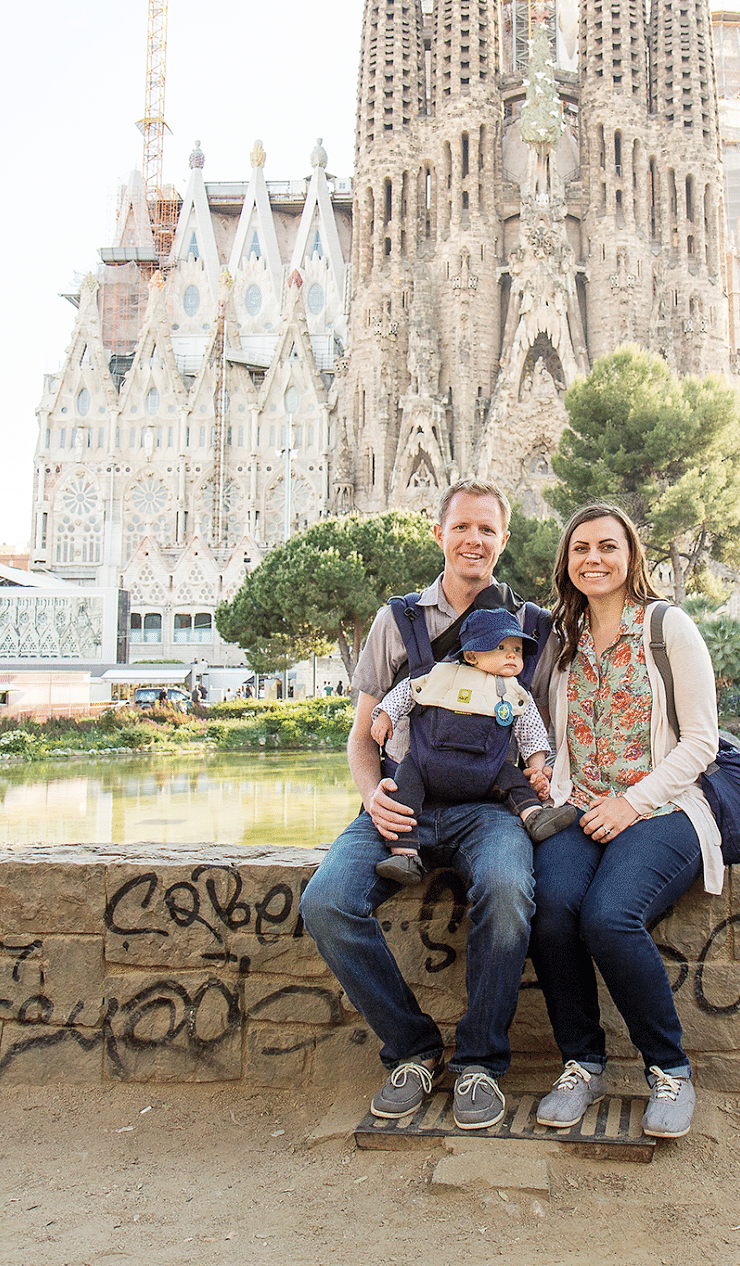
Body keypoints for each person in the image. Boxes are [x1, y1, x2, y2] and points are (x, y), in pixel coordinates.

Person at [300, 481, 557, 1133]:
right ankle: (413, 1052)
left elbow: (547, 733)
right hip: (402, 800)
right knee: (326, 902)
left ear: (504, 540)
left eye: (487, 530)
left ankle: (478, 1063)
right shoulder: (399, 621)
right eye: (462, 527)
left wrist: (542, 774)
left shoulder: (533, 628)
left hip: (488, 806)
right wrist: (371, 799)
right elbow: (363, 735)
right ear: (439, 533)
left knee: (505, 891)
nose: (474, 540)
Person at [529, 503, 724, 1142]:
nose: (594, 558)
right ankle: (582, 1063)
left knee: (609, 917)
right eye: (581, 548)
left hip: (662, 807)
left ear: (631, 556)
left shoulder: (668, 629)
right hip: (580, 806)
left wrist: (632, 801)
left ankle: (668, 1069)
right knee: (552, 910)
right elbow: (545, 731)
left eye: (608, 547)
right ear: (567, 564)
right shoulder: (562, 643)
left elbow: (700, 742)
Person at [369, 606, 576, 884]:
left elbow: (532, 734)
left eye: (517, 648)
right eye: (501, 647)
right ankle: (405, 854)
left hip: (485, 773)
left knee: (512, 778)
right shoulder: (439, 675)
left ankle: (534, 817)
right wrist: (385, 716)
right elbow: (406, 692)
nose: (512, 654)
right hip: (426, 768)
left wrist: (537, 769)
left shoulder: (513, 692)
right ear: (471, 655)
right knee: (403, 788)